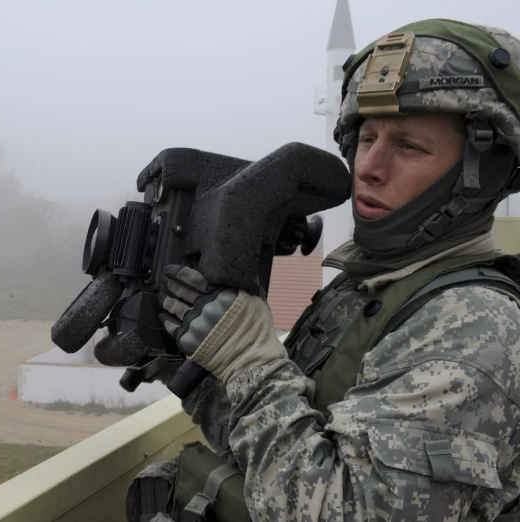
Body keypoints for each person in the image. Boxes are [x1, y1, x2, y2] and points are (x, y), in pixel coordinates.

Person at [142, 19, 520, 521]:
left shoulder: (472, 323)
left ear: (479, 173)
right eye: (367, 138)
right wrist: (191, 365)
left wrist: (249, 363)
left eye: (409, 146)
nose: (369, 166)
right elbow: (277, 449)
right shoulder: (373, 284)